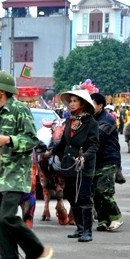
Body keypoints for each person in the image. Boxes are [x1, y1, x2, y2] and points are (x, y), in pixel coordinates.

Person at [0, 71, 52, 259]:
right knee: (1, 223)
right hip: (0, 174)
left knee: (8, 217)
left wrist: (10, 139)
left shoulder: (20, 110)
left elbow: (31, 140)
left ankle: (39, 252)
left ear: (2, 91)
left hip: (15, 175)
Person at [44, 90, 99, 242]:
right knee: (71, 196)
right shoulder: (69, 121)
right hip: (69, 165)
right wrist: (51, 153)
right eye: (71, 101)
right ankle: (80, 228)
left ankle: (87, 231)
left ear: (83, 104)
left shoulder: (91, 123)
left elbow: (94, 145)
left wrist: (84, 157)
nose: (72, 103)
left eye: (75, 101)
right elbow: (63, 143)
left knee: (83, 197)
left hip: (83, 167)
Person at [90, 93, 123, 231]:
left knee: (104, 191)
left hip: (108, 159)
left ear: (100, 105)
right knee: (95, 193)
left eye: (91, 104)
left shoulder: (107, 120)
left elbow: (97, 137)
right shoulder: (91, 119)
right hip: (95, 160)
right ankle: (103, 220)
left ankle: (116, 216)